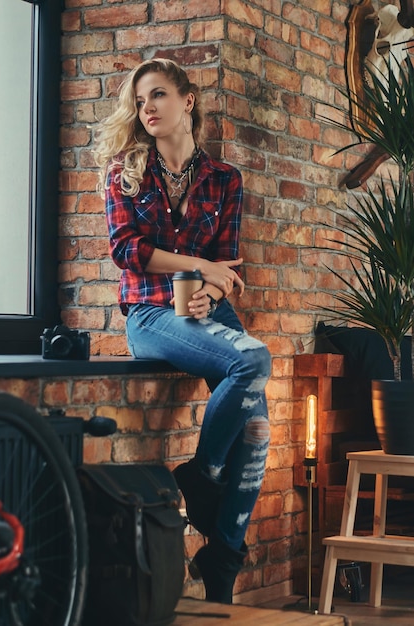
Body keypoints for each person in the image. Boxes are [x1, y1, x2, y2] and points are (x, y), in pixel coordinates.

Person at [95, 58, 271, 604]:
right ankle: (203, 474)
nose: (147, 108)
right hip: (150, 315)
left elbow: (225, 264)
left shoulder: (226, 180)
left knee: (258, 431)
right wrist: (197, 272)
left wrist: (211, 290)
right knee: (252, 361)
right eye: (141, 100)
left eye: (159, 96)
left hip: (209, 315)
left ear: (187, 101)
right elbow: (127, 252)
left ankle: (221, 561)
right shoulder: (125, 171)